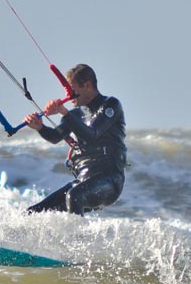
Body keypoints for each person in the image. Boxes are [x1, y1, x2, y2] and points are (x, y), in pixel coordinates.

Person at [23, 64, 126, 215]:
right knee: (33, 213)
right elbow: (55, 137)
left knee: (74, 195)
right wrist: (40, 127)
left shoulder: (110, 105)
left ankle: (77, 238)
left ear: (88, 85)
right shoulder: (76, 114)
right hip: (83, 181)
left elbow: (92, 134)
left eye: (71, 90)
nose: (68, 95)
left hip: (109, 180)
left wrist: (64, 113)